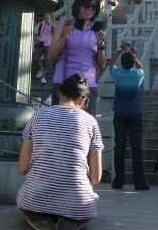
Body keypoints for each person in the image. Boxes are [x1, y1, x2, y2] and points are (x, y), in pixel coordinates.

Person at [18, 74, 103, 230]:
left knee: (29, 203)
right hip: (78, 204)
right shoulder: (91, 122)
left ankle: (39, 218)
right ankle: (70, 221)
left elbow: (23, 168)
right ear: (83, 100)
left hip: (34, 199)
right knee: (83, 207)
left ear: (59, 94)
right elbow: (96, 178)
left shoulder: (38, 115)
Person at [49, 0, 106, 116]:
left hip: (87, 85)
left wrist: (101, 45)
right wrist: (64, 37)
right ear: (78, 5)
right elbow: (51, 55)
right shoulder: (65, 24)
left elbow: (102, 65)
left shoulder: (96, 30)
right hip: (64, 83)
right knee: (60, 126)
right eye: (87, 5)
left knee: (85, 127)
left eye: (94, 7)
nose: (90, 9)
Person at [109, 47, 148, 190]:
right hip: (135, 113)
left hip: (119, 113)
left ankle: (119, 180)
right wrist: (133, 55)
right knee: (136, 147)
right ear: (133, 62)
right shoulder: (139, 74)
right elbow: (140, 66)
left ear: (122, 63)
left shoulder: (117, 73)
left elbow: (111, 63)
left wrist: (119, 50)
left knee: (119, 147)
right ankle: (139, 181)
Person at [34, 13, 54, 84]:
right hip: (40, 43)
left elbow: (57, 31)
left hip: (49, 44)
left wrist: (51, 24)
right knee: (35, 58)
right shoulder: (40, 25)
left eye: (48, 15)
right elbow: (35, 32)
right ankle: (40, 68)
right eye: (45, 15)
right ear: (44, 17)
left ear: (50, 16)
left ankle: (43, 77)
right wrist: (36, 37)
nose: (46, 16)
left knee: (47, 61)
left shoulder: (53, 25)